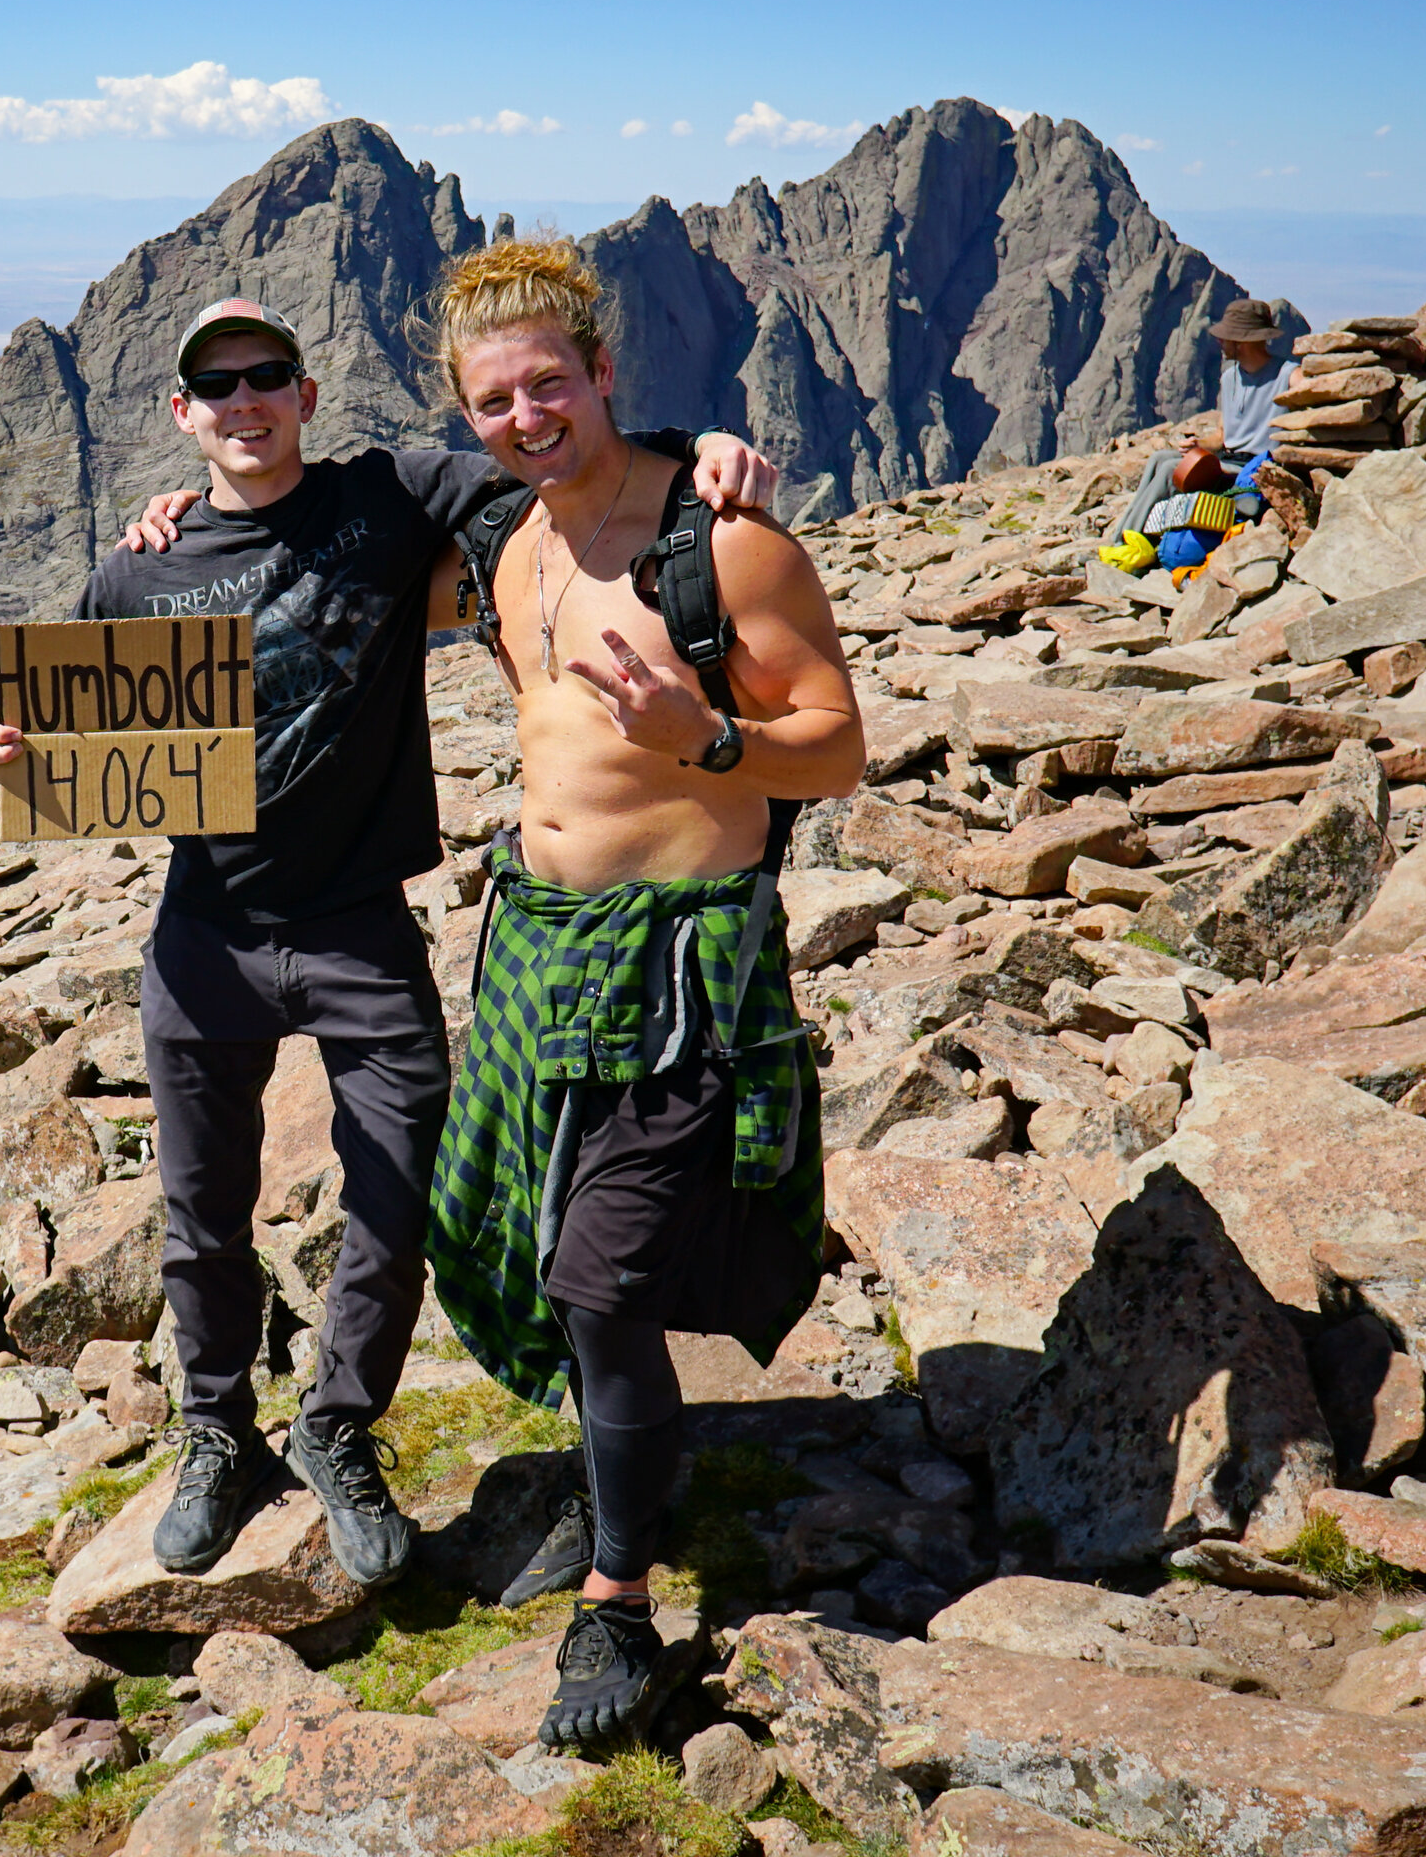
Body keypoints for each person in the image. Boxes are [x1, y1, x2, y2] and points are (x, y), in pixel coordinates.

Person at [0, 296, 774, 1589]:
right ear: (182, 415)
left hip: (357, 925)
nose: (244, 401)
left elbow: (555, 463)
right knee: (199, 1215)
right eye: (216, 386)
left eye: (266, 376)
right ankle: (219, 1437)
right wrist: (6, 750)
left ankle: (339, 1430)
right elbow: (58, 734)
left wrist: (702, 452)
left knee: (396, 1198)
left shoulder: (387, 497)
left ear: (305, 395)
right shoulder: (136, 570)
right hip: (205, 932)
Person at [406, 238, 863, 1752]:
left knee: (600, 1285)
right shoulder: (495, 542)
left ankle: (618, 1597)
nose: (528, 415)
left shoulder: (721, 540)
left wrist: (705, 736)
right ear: (466, 416)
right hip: (538, 954)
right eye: (495, 399)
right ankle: (622, 1462)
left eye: (553, 382)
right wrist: (165, 528)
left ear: (606, 371)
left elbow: (838, 747)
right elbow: (309, 576)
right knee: (528, 1249)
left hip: (680, 970)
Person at [1109, 296, 1302, 545]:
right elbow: (1223, 436)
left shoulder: (1287, 374)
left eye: (1225, 336)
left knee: (1171, 471)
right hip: (1227, 459)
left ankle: (1127, 544)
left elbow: (1314, 391)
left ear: (1242, 341)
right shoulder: (1230, 378)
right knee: (1160, 459)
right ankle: (1122, 537)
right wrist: (1198, 445)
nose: (1220, 341)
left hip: (1253, 469)